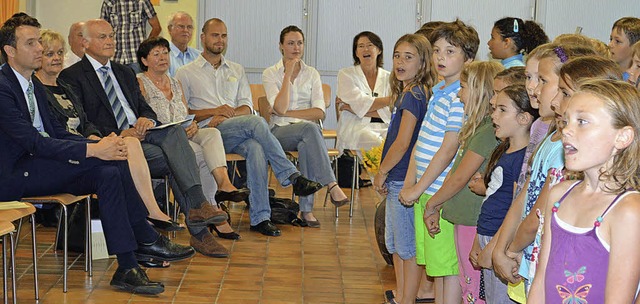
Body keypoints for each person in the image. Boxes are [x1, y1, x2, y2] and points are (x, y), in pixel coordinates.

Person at [0, 13, 193, 295]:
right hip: (16, 172)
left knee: (110, 166)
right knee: (105, 164)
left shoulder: (33, 84)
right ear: (10, 51)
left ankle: (128, 265)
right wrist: (91, 149)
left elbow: (57, 132)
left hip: (42, 163)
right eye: (31, 43)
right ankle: (143, 238)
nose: (40, 49)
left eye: (39, 42)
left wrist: (100, 145)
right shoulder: (3, 87)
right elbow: (34, 142)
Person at [59, 19, 230, 258]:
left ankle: (198, 209)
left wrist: (145, 120)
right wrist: (121, 133)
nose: (110, 41)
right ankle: (200, 229)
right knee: (175, 157)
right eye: (102, 37)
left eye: (112, 36)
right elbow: (83, 120)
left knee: (173, 133)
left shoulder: (124, 71)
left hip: (144, 134)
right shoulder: (71, 76)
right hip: (116, 142)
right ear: (85, 42)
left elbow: (144, 108)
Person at [175, 18, 323, 237]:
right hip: (208, 132)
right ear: (203, 37)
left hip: (238, 127)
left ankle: (260, 217)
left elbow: (246, 106)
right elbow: (183, 114)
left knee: (255, 146)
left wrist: (228, 114)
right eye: (215, 35)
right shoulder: (185, 73)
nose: (220, 40)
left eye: (224, 36)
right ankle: (291, 176)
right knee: (257, 123)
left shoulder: (236, 69)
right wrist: (214, 113)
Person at [35, 29, 182, 234]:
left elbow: (85, 121)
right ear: (37, 56)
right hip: (68, 153)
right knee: (122, 157)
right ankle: (146, 219)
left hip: (87, 144)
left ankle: (147, 218)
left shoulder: (64, 86)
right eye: (50, 54)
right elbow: (56, 132)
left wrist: (94, 136)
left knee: (132, 145)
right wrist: (97, 141)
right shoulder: (36, 89)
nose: (57, 58)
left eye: (60, 53)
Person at [528, 79, 640, 303]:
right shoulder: (559, 195)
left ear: (623, 137)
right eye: (566, 120)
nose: (567, 130)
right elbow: (540, 280)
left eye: (582, 121)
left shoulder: (628, 211)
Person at [398, 19, 479, 304]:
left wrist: (419, 188)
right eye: (436, 51)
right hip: (425, 190)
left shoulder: (458, 97)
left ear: (468, 58)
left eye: (450, 51)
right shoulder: (439, 92)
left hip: (439, 193)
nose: (440, 58)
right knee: (436, 267)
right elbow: (421, 142)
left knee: (447, 269)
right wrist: (410, 182)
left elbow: (448, 148)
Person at [136, 36, 246, 239]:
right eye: (156, 54)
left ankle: (223, 184)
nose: (163, 58)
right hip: (164, 139)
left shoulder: (175, 83)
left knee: (212, 133)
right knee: (198, 153)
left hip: (186, 131)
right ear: (144, 61)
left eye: (165, 53)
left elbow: (184, 112)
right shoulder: (140, 83)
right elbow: (141, 117)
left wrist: (193, 124)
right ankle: (211, 207)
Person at [422, 61, 503, 304]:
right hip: (463, 218)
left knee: (472, 286)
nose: (459, 94)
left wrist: (432, 204)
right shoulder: (478, 128)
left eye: (464, 87)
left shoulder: (486, 132)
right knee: (465, 281)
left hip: (472, 221)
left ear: (480, 92)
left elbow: (459, 177)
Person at [262, 25, 349, 227]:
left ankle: (306, 211)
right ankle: (331, 184)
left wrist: (286, 113)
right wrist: (287, 75)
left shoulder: (312, 73)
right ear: (281, 46)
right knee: (310, 130)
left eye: (299, 43)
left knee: (306, 142)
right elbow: (280, 107)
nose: (296, 48)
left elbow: (319, 112)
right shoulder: (270, 73)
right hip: (279, 132)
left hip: (307, 133)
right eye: (291, 43)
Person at [373, 34, 433, 304]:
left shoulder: (414, 95)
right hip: (397, 178)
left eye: (409, 57)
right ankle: (401, 294)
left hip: (402, 178)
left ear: (422, 64)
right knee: (394, 244)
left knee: (406, 248)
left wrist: (382, 171)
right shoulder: (407, 93)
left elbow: (402, 142)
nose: (400, 62)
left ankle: (408, 298)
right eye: (397, 55)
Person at [470, 85, 538, 303]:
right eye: (494, 109)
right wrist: (478, 240)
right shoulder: (503, 150)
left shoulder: (523, 160)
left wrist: (495, 246)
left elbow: (514, 208)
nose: (493, 115)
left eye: (502, 110)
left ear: (524, 118)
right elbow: (490, 200)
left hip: (502, 240)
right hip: (487, 235)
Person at [335, 31, 391, 154]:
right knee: (377, 143)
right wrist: (390, 99)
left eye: (370, 45)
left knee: (396, 141)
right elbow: (360, 103)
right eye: (360, 46)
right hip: (356, 128)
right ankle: (371, 173)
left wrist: (355, 109)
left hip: (385, 127)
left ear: (379, 50)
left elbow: (393, 111)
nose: (366, 49)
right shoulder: (346, 74)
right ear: (356, 53)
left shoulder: (390, 77)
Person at [100, 0, 161, 72]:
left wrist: (146, 47)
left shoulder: (142, 2)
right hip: (115, 57)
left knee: (137, 82)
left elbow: (157, 27)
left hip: (136, 57)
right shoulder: (108, 3)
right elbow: (102, 29)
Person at [167, 11, 199, 77]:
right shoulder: (163, 56)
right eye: (181, 26)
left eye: (189, 27)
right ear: (170, 29)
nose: (186, 30)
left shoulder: (199, 56)